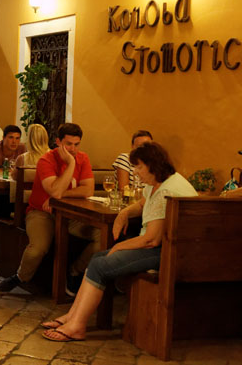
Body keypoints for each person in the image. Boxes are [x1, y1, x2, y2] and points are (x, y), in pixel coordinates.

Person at [41, 141, 198, 342]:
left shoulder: (167, 190)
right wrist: (124, 212)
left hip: (171, 253)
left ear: (153, 164)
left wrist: (119, 246)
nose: (136, 171)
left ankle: (77, 326)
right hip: (166, 248)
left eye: (139, 166)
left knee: (101, 263)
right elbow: (141, 204)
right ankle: (72, 317)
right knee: (98, 257)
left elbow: (151, 240)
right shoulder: (157, 183)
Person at [0, 123, 99, 296]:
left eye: (76, 144)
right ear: (58, 142)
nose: (73, 149)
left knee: (103, 237)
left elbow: (88, 190)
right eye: (68, 144)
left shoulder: (84, 158)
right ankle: (20, 277)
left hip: (71, 214)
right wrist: (71, 164)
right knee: (38, 248)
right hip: (41, 212)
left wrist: (58, 196)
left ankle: (75, 271)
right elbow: (55, 190)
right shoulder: (47, 160)